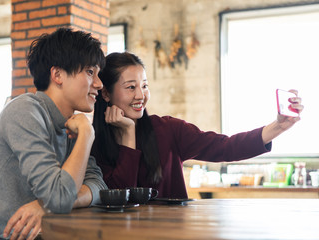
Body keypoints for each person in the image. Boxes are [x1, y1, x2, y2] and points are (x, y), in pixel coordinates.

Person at [0, 27, 107, 240]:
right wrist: (86, 134)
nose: (99, 84)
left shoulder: (70, 125)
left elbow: (98, 185)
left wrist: (45, 206)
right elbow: (60, 198)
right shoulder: (26, 111)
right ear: (57, 75)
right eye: (90, 72)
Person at [91, 52, 303, 198]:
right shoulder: (93, 143)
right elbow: (118, 196)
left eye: (144, 86)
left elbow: (225, 147)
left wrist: (278, 127)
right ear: (106, 93)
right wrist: (128, 133)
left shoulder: (169, 129)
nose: (141, 95)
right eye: (131, 87)